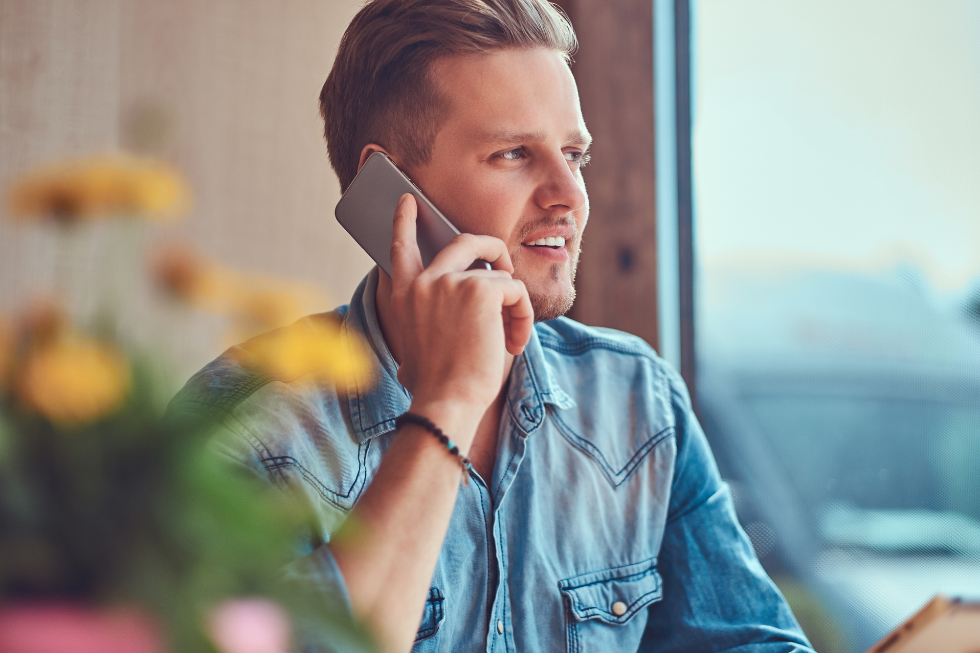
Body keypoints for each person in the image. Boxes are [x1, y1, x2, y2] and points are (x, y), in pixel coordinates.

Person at [170, 0, 815, 651]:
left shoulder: (636, 400)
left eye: (575, 155)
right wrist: (447, 404)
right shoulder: (246, 429)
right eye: (513, 154)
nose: (568, 194)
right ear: (389, 193)